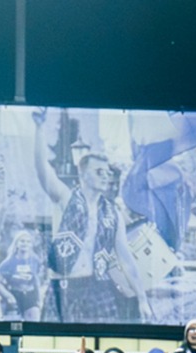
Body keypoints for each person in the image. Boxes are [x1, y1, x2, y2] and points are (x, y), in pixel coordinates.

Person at [34, 113, 146, 322]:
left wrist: (142, 297)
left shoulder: (113, 213)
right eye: (98, 172)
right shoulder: (67, 199)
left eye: (107, 172)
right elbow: (43, 172)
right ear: (83, 174)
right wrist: (39, 129)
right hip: (63, 286)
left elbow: (126, 259)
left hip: (97, 286)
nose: (105, 176)